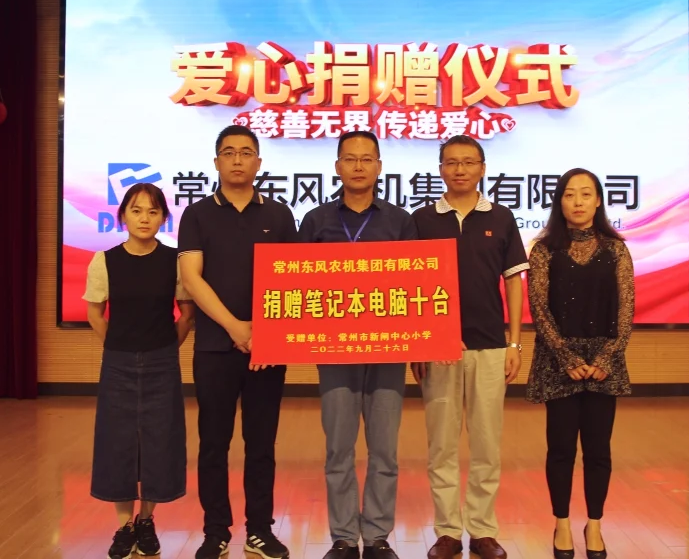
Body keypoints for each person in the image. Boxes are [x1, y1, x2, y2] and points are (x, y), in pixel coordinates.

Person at [178, 125, 298, 559]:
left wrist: (265, 332)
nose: (237, 160)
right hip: (214, 346)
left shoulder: (279, 216)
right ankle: (215, 531)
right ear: (216, 162)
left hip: (269, 348)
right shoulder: (197, 214)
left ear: (258, 163)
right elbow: (192, 277)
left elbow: (292, 278)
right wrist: (235, 327)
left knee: (261, 445)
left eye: (246, 152)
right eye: (228, 152)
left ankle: (260, 530)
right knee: (213, 444)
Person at [298, 130, 417, 559]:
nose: (359, 166)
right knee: (338, 448)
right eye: (350, 158)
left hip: (387, 350)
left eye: (367, 159)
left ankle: (378, 536)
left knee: (384, 449)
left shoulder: (400, 221)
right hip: (334, 351)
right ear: (337, 166)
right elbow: (297, 282)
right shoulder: (315, 221)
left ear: (380, 167)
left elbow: (417, 284)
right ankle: (345, 537)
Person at [410, 135, 528, 559]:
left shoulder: (501, 216)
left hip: (491, 347)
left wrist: (514, 342)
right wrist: (419, 342)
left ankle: (482, 530)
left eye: (468, 162)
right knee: (441, 446)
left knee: (486, 445)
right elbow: (410, 285)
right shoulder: (422, 219)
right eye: (451, 162)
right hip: (438, 349)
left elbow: (513, 281)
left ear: (482, 168)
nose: (459, 169)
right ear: (440, 168)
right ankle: (447, 532)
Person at [524, 168, 634, 559]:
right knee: (560, 449)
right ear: (559, 201)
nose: (578, 202)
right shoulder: (543, 249)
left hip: (605, 362)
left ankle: (595, 524)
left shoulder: (616, 249)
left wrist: (606, 357)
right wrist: (567, 357)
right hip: (558, 362)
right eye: (569, 194)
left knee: (598, 450)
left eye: (586, 194)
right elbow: (539, 308)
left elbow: (626, 309)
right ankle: (561, 524)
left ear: (598, 200)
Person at [83, 182, 195, 559]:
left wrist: (164, 348)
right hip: (118, 363)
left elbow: (186, 314)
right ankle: (124, 526)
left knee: (159, 440)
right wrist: (119, 343)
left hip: (162, 361)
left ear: (163, 218)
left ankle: (146, 520)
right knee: (118, 442)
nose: (144, 218)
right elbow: (95, 313)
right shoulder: (105, 260)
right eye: (136, 210)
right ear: (122, 217)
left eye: (152, 211)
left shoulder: (175, 261)